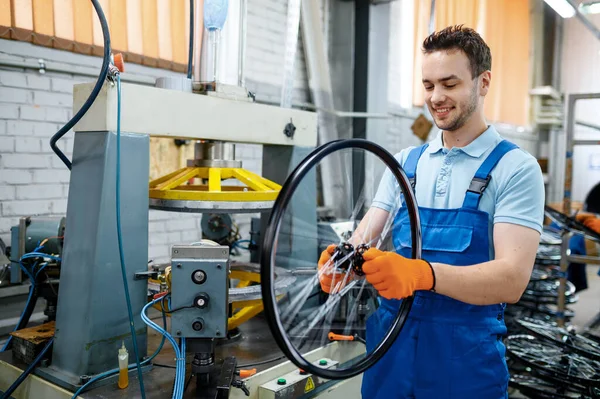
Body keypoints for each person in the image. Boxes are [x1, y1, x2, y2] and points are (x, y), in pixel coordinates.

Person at [318, 25, 545, 398]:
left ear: (483, 82)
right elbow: (363, 239)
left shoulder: (515, 169)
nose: (436, 97)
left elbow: (511, 279)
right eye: (428, 85)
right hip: (390, 356)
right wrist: (342, 265)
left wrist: (422, 274)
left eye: (450, 84)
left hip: (464, 364)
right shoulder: (406, 164)